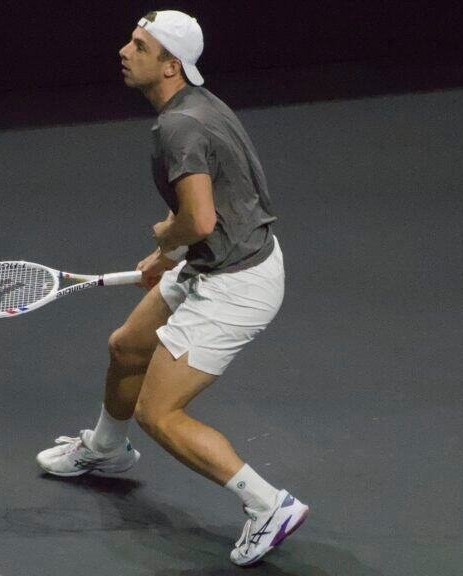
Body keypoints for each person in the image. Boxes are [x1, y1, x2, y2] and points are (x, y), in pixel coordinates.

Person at [35, 10, 308, 566]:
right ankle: (107, 450)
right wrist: (169, 255)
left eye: (140, 45)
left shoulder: (178, 126)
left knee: (159, 414)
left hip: (236, 284)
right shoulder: (199, 108)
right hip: (218, 262)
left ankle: (267, 505)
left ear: (170, 64)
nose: (124, 50)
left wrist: (171, 235)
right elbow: (219, 206)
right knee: (126, 347)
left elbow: (199, 219)